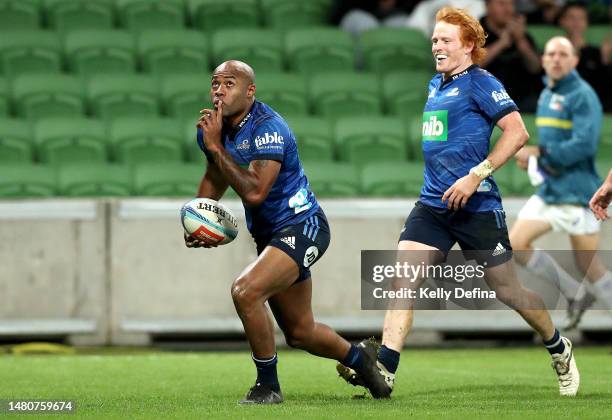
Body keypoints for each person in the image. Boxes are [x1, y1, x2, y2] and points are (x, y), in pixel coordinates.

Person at [337, 7, 579, 397]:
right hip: (433, 204)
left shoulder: (482, 82)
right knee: (403, 281)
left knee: (508, 291)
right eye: (434, 39)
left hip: (477, 207)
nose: (437, 45)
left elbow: (517, 133)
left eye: (446, 39)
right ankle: (385, 372)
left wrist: (475, 175)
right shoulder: (436, 84)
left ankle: (557, 345)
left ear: (468, 45)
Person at [187, 60, 390, 403]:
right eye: (215, 84)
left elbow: (254, 192)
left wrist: (216, 147)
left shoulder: (269, 128)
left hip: (304, 225)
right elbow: (216, 176)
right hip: (270, 235)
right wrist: (197, 218)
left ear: (250, 91)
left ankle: (268, 386)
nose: (219, 90)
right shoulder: (214, 129)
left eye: (229, 83)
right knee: (300, 332)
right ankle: (362, 360)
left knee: (245, 291)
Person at [511, 37, 611, 329]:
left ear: (575, 60)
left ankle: (578, 295)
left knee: (591, 266)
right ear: (543, 60)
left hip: (579, 192)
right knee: (515, 244)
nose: (555, 59)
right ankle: (574, 294)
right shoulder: (546, 94)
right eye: (551, 54)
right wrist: (534, 160)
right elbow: (553, 145)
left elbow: (584, 146)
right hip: (551, 190)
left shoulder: (583, 95)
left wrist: (539, 155)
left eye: (562, 54)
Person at [479, 0, 542, 112]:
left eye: (511, 4)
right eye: (502, 4)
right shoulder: (473, 32)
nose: (508, 9)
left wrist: (520, 40)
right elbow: (470, 65)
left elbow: (535, 67)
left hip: (523, 99)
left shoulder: (522, 35)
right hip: (486, 97)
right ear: (487, 6)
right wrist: (501, 43)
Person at [557, 1, 612, 112]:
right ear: (562, 21)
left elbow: (603, 89)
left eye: (581, 18)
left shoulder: (596, 53)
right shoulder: (554, 52)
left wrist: (605, 61)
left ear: (586, 23)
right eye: (571, 18)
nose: (576, 23)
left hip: (592, 105)